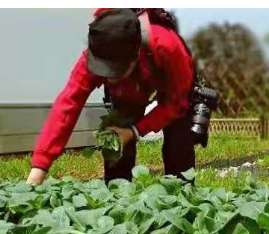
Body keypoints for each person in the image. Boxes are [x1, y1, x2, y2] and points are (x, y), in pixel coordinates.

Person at [27, 8, 196, 185]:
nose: (109, 78)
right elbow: (67, 104)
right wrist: (39, 167)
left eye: (115, 71)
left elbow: (177, 103)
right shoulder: (96, 53)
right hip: (128, 92)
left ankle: (181, 197)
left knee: (178, 143)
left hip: (173, 87)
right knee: (116, 140)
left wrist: (135, 131)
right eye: (103, 70)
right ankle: (118, 198)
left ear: (136, 55)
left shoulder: (168, 46)